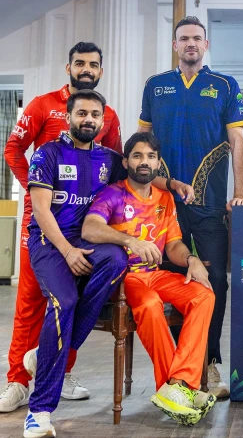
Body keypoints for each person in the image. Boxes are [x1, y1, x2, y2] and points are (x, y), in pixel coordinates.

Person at [1, 42, 123, 413]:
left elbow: (116, 170)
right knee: (30, 302)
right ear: (68, 67)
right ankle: (17, 381)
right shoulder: (41, 105)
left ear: (100, 71)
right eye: (80, 63)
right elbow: (13, 149)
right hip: (41, 222)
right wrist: (36, 192)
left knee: (73, 297)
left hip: (83, 228)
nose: (86, 69)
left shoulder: (108, 115)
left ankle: (61, 369)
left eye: (93, 65)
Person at [137, 16, 243, 399]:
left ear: (206, 44)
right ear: (175, 45)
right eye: (183, 38)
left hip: (210, 204)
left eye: (197, 38)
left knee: (215, 279)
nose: (190, 44)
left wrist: (240, 192)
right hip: (164, 205)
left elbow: (238, 142)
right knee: (171, 278)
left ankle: (210, 363)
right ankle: (181, 365)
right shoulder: (155, 85)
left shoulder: (225, 85)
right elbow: (141, 147)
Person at [82, 132, 216, 425]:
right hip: (125, 279)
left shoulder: (165, 198)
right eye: (138, 156)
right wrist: (129, 241)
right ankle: (177, 389)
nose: (144, 162)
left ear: (158, 163)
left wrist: (192, 260)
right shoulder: (112, 194)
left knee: (204, 295)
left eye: (151, 157)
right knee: (151, 305)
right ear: (126, 161)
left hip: (154, 275)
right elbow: (89, 228)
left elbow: (173, 245)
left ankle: (179, 383)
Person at [21, 90, 130, 438]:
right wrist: (67, 251)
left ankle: (48, 353)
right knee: (64, 302)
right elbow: (40, 211)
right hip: (49, 241)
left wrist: (172, 184)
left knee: (117, 258)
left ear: (102, 121)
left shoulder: (109, 158)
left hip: (86, 241)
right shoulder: (48, 153)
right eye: (82, 113)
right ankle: (39, 411)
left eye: (95, 115)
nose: (89, 120)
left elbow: (143, 171)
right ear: (68, 117)